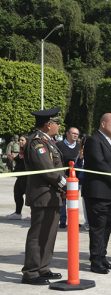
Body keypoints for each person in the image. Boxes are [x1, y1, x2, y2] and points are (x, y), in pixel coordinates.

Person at [21, 107, 67, 285]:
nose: (58, 126)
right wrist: (65, 184)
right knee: (38, 234)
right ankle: (31, 272)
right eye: (57, 123)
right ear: (49, 125)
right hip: (42, 194)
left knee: (49, 233)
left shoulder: (48, 141)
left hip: (52, 195)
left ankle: (43, 267)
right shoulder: (37, 142)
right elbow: (48, 170)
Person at [82, 113, 111, 274]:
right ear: (103, 123)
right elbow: (98, 163)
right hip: (98, 192)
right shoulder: (93, 140)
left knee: (107, 227)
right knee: (98, 227)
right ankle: (95, 261)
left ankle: (102, 257)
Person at [55, 126, 81, 228]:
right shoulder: (59, 145)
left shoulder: (79, 146)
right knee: (63, 198)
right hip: (63, 176)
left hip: (75, 177)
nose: (75, 135)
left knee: (74, 199)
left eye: (77, 134)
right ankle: (62, 220)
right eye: (73, 133)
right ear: (67, 134)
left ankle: (73, 220)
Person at [6, 135, 27, 220]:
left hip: (28, 178)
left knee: (30, 197)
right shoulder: (21, 151)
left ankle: (34, 214)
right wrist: (13, 158)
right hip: (20, 177)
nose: (20, 141)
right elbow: (19, 161)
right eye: (19, 140)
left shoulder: (29, 151)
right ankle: (18, 213)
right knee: (17, 193)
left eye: (22, 140)